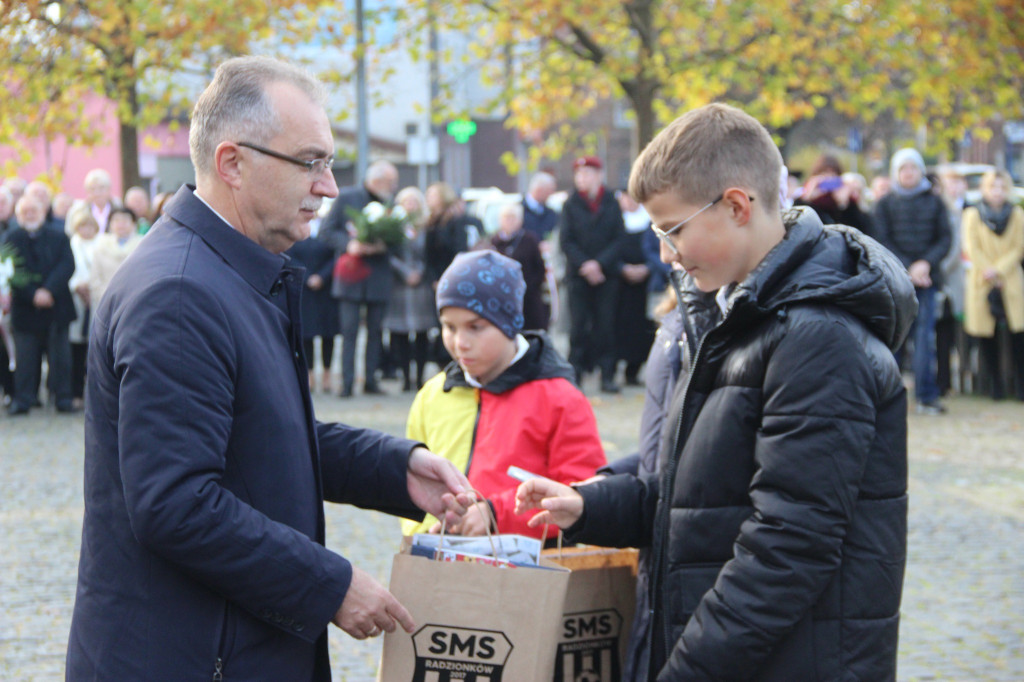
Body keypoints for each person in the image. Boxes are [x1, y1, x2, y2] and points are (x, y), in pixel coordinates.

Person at [65, 56, 474, 681]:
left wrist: (393, 469)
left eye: (330, 163)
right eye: (310, 161)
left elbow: (256, 437)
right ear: (233, 163)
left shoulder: (229, 270)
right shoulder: (180, 292)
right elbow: (177, 502)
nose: (330, 186)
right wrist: (330, 584)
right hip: (191, 657)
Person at [516, 103, 915, 681]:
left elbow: (786, 548)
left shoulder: (817, 338)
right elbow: (700, 495)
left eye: (673, 229)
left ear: (736, 205)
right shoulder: (735, 318)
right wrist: (592, 506)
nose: (666, 253)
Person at [405, 249, 606, 538]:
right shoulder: (434, 393)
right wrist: (423, 533)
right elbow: (414, 482)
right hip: (442, 569)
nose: (460, 342)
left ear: (509, 324)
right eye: (449, 327)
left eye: (476, 327)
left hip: (527, 572)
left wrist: (498, 515)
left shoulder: (559, 398)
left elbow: (580, 497)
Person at [874, 147, 952, 414]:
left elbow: (945, 238)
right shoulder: (885, 204)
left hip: (928, 281)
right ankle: (890, 397)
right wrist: (907, 266)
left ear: (920, 171)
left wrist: (924, 264)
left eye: (913, 168)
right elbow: (882, 240)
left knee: (924, 340)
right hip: (896, 283)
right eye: (903, 168)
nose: (908, 173)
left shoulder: (935, 201)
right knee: (894, 340)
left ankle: (926, 395)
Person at [319, 159, 400, 397]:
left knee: (376, 331)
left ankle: (370, 381)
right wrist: (350, 245)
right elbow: (327, 231)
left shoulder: (390, 204)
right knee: (349, 331)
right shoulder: (347, 197)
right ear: (376, 180)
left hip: (379, 277)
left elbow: (399, 242)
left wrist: (381, 246)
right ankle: (347, 383)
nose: (394, 186)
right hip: (350, 277)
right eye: (390, 182)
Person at [1, 194, 76, 415]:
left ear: (43, 212)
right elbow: (9, 271)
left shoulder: (59, 236)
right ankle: (23, 400)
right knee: (25, 359)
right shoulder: (11, 238)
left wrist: (48, 290)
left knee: (61, 358)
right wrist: (33, 294)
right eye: (25, 211)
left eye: (34, 210)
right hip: (26, 309)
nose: (30, 214)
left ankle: (63, 398)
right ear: (18, 215)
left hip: (56, 307)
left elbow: (67, 265)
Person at [559, 155, 626, 393]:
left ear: (599, 175)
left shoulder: (611, 201)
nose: (582, 178)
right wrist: (586, 265)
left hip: (606, 276)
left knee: (606, 326)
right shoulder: (570, 203)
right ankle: (574, 373)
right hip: (579, 276)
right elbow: (566, 241)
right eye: (579, 174)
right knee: (578, 327)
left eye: (587, 173)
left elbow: (619, 238)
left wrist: (599, 264)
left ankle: (607, 375)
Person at [961, 169, 1024, 400]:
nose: (997, 192)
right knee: (987, 334)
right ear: (984, 188)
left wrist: (998, 270)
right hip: (982, 279)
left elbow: (1019, 247)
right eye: (992, 187)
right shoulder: (973, 214)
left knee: (1019, 334)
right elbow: (971, 246)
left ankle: (1020, 386)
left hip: (1010, 278)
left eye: (1001, 187)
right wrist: (988, 269)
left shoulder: (1017, 214)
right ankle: (995, 386)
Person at [386, 186, 436, 391]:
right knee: (400, 334)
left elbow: (431, 254)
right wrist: (406, 272)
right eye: (406, 201)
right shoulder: (393, 226)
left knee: (423, 332)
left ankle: (420, 377)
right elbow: (389, 255)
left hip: (421, 286)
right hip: (400, 286)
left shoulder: (426, 227)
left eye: (414, 201)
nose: (410, 205)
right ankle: (405, 378)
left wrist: (420, 272)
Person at [286, 214, 340, 393]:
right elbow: (288, 254)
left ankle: (327, 375)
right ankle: (308, 376)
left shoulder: (327, 232)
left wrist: (322, 277)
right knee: (306, 334)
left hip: (326, 290)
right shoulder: (294, 226)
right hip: (304, 289)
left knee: (328, 334)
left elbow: (335, 256)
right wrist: (307, 276)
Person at [478, 202, 549, 330]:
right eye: (506, 217)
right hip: (502, 297)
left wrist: (529, 286)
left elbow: (539, 268)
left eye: (513, 217)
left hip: (528, 298)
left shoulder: (529, 239)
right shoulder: (493, 241)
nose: (509, 221)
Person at [614, 190, 655, 385]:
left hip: (645, 284)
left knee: (642, 329)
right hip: (619, 285)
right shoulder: (616, 221)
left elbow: (654, 248)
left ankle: (634, 370)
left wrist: (647, 268)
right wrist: (623, 268)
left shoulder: (648, 221)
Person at [67, 207, 100, 408]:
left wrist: (92, 288)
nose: (85, 230)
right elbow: (70, 269)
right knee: (77, 349)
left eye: (89, 226)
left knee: (96, 350)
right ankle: (76, 392)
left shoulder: (102, 244)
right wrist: (78, 286)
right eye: (81, 226)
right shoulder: (72, 245)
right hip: (77, 301)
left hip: (97, 298)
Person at [795, 154, 873, 237]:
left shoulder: (848, 201)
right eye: (824, 173)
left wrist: (843, 204)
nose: (829, 178)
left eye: (833, 174)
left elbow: (859, 230)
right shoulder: (805, 199)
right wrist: (808, 197)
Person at [89, 207, 144, 307]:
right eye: (116, 220)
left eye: (125, 220)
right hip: (105, 300)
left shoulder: (142, 245)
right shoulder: (101, 245)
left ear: (133, 223)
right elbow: (95, 278)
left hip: (134, 301)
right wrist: (105, 297)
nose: (120, 224)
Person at [521, 171, 559, 241]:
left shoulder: (551, 214)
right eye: (550, 190)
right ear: (539, 189)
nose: (551, 194)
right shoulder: (519, 210)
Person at [82, 168, 117, 232]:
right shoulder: (81, 211)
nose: (97, 193)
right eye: (92, 189)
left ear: (109, 189)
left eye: (101, 188)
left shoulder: (117, 209)